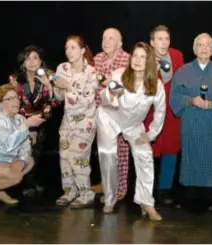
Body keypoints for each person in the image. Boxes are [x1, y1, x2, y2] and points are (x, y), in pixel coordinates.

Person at [97, 42, 165, 220]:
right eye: (135, 55)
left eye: (143, 57)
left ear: (149, 61)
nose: (137, 60)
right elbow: (105, 99)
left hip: (133, 124)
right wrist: (111, 94)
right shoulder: (120, 75)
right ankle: (110, 200)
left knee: (145, 155)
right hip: (110, 118)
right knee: (108, 155)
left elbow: (160, 113)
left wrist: (150, 134)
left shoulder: (156, 85)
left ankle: (146, 202)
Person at [169, 33, 212, 208]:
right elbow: (174, 95)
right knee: (190, 156)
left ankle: (210, 199)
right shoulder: (183, 71)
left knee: (211, 157)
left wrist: (211, 104)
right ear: (194, 49)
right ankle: (189, 199)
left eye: (208, 45)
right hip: (191, 121)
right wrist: (191, 100)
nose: (204, 48)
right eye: (200, 45)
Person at [52, 35, 98, 208]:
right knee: (64, 157)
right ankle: (70, 190)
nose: (69, 52)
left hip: (85, 122)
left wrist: (69, 86)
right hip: (67, 122)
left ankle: (86, 193)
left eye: (73, 48)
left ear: (82, 50)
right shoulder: (62, 68)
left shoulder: (91, 72)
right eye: (66, 48)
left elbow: (87, 100)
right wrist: (55, 86)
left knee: (78, 157)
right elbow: (58, 98)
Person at [9, 45, 59, 196]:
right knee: (20, 153)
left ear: (41, 60)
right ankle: (16, 182)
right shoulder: (14, 79)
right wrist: (27, 127)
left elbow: (55, 103)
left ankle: (29, 183)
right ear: (22, 62)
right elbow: (13, 104)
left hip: (41, 120)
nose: (31, 61)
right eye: (27, 58)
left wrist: (49, 86)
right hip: (20, 121)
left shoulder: (50, 75)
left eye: (35, 58)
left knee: (35, 153)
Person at [144, 25, 184, 204]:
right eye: (159, 39)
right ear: (152, 42)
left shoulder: (176, 55)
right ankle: (147, 188)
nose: (164, 42)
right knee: (149, 149)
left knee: (170, 148)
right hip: (150, 109)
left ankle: (165, 189)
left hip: (171, 108)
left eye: (166, 39)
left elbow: (181, 81)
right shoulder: (144, 56)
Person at [92, 28, 131, 200]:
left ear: (120, 43)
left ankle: (121, 188)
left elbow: (123, 86)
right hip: (101, 111)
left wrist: (107, 81)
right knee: (104, 151)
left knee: (120, 151)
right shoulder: (97, 58)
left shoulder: (127, 59)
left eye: (111, 38)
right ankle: (106, 182)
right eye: (104, 38)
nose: (106, 41)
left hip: (119, 111)